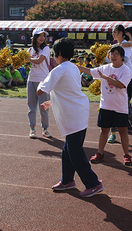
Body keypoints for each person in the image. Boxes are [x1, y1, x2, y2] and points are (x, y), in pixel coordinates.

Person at [37, 38, 103, 197]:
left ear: (58, 53)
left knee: (75, 152)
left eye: (54, 54)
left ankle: (93, 183)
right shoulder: (73, 67)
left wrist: (38, 83)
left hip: (73, 115)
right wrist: (50, 103)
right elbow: (67, 91)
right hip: (79, 112)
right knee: (68, 149)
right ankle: (67, 180)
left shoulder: (59, 69)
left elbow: (41, 89)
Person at [78, 45, 132, 166]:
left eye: (116, 54)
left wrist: (104, 77)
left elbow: (120, 84)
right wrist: (78, 67)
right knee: (104, 130)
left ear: (122, 57)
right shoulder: (105, 68)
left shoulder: (125, 70)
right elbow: (91, 72)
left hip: (120, 106)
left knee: (123, 130)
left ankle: (126, 155)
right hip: (106, 106)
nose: (113, 56)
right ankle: (100, 153)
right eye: (111, 53)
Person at [107, 25, 132, 146]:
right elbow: (109, 61)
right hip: (114, 77)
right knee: (112, 106)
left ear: (121, 33)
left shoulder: (128, 45)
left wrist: (115, 53)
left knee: (126, 108)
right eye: (112, 32)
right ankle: (112, 133)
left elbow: (126, 58)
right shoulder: (114, 46)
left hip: (126, 79)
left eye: (115, 32)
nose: (113, 34)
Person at [27, 28, 52, 139]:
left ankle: (45, 129)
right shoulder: (29, 50)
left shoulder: (46, 48)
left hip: (43, 81)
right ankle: (32, 129)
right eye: (39, 35)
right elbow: (25, 63)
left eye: (43, 35)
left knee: (44, 107)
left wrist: (28, 59)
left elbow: (39, 60)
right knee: (31, 107)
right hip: (31, 80)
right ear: (34, 38)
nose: (42, 38)